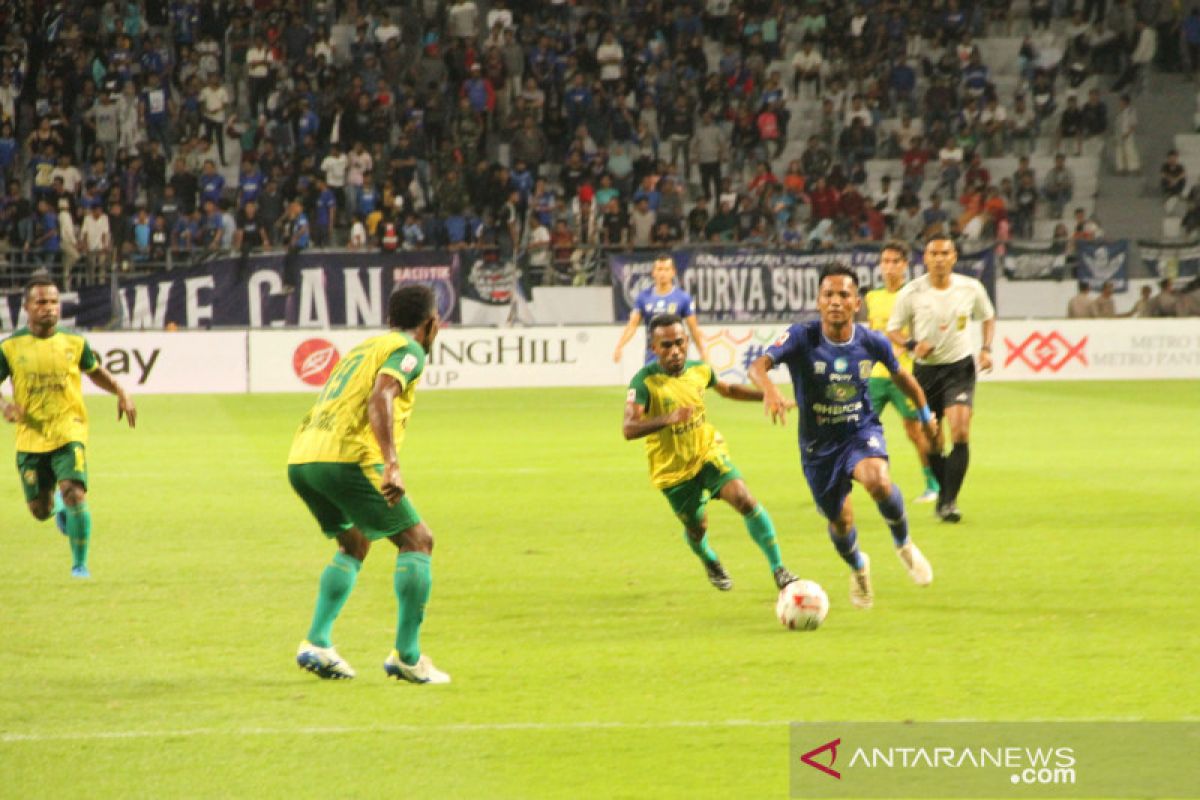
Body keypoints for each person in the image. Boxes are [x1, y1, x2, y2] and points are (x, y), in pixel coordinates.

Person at [746, 264, 936, 609]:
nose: (835, 301)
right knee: (840, 520)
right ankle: (859, 567)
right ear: (818, 302)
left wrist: (924, 415)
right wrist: (770, 390)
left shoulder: (872, 341)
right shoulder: (801, 337)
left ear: (856, 303)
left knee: (877, 481)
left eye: (843, 295)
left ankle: (904, 544)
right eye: (828, 295)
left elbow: (903, 378)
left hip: (860, 430)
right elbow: (757, 366)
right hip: (818, 446)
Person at [288, 284, 450, 684]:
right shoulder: (409, 351)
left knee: (355, 541)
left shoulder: (365, 348)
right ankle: (407, 657)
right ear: (431, 324)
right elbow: (381, 398)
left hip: (303, 456)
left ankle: (317, 642)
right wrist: (391, 463)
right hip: (345, 458)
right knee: (418, 540)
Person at [624, 313, 798, 593]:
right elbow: (629, 427)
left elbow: (728, 390)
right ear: (653, 348)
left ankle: (779, 569)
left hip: (706, 453)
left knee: (744, 499)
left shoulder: (699, 370)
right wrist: (668, 418)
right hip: (673, 471)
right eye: (666, 345)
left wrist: (767, 395)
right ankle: (708, 557)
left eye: (680, 343)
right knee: (698, 527)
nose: (675, 351)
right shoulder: (644, 382)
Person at [0, 277, 137, 578]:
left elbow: (94, 371)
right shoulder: (10, 347)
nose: (48, 308)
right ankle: (58, 506)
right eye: (41, 302)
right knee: (39, 510)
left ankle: (79, 565)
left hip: (68, 430)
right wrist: (5, 407)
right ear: (26, 307)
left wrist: (121, 391)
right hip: (31, 437)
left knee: (75, 492)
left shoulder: (74, 342)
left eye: (53, 302)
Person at [886, 235, 996, 523]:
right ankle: (946, 496)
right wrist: (911, 345)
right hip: (926, 372)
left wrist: (986, 349)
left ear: (954, 257)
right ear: (925, 258)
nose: (939, 258)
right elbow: (893, 330)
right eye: (933, 253)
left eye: (944, 253)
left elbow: (988, 316)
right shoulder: (912, 292)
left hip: (959, 369)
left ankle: (948, 502)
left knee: (960, 432)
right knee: (932, 440)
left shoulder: (970, 288)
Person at [862, 243, 941, 504]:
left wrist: (903, 348)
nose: (889, 266)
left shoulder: (913, 296)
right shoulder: (872, 297)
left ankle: (933, 484)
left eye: (895, 261)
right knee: (855, 429)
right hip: (875, 377)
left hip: (904, 375)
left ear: (905, 265)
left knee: (915, 431)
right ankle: (839, 487)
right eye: (885, 261)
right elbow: (871, 332)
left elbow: (922, 334)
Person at [613, 255, 707, 364]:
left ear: (673, 272)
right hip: (653, 356)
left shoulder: (683, 298)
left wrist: (703, 352)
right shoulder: (643, 297)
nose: (663, 273)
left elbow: (693, 329)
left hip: (676, 356)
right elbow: (632, 325)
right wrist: (620, 345)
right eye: (659, 269)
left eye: (666, 269)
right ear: (654, 272)